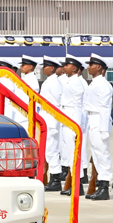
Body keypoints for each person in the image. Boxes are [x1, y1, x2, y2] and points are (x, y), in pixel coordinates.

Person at [83, 54, 113, 201]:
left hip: (99, 120)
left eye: (91, 64)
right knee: (96, 153)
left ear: (99, 67)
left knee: (102, 153)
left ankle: (104, 187)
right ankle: (100, 185)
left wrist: (103, 130)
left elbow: (104, 109)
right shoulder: (95, 83)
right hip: (92, 119)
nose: (88, 67)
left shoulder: (102, 84)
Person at [59, 55, 86, 197]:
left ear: (74, 68)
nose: (64, 67)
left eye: (67, 65)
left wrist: (76, 126)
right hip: (66, 118)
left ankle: (78, 184)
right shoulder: (69, 81)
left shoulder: (76, 83)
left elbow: (78, 106)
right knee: (68, 154)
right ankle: (75, 184)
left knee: (73, 155)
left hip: (72, 119)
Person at [40, 56, 65, 192]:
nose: (44, 68)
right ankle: (53, 178)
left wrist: (55, 123)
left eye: (46, 66)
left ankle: (55, 179)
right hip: (47, 119)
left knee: (52, 151)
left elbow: (56, 104)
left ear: (53, 68)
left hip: (52, 120)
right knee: (49, 151)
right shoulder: (49, 81)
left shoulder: (54, 82)